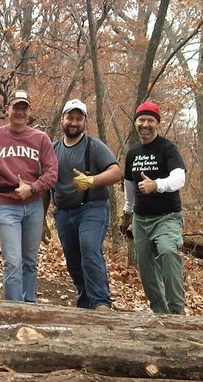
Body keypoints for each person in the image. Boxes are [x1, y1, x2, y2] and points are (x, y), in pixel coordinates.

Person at [0, 90, 58, 302]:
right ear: (7, 109)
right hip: (6, 206)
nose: (20, 112)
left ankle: (29, 303)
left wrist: (33, 188)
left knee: (30, 260)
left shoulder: (41, 139)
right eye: (16, 107)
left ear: (30, 111)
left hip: (33, 206)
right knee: (12, 262)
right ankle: (14, 309)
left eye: (24, 108)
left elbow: (52, 173)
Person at [49, 99, 122, 311]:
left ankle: (101, 303)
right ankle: (84, 302)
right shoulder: (53, 149)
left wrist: (92, 180)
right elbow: (45, 184)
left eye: (78, 118)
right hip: (63, 213)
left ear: (84, 121)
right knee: (73, 259)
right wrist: (41, 218)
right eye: (70, 117)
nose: (74, 122)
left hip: (92, 207)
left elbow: (116, 172)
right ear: (62, 119)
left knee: (90, 248)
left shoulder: (94, 146)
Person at [121, 101, 187, 314]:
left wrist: (156, 185)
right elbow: (129, 185)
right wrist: (127, 213)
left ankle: (177, 312)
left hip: (166, 217)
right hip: (141, 220)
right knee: (147, 271)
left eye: (150, 120)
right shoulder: (133, 152)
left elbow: (179, 178)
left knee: (168, 254)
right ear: (136, 123)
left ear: (157, 124)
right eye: (141, 120)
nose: (145, 124)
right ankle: (160, 313)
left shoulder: (167, 148)